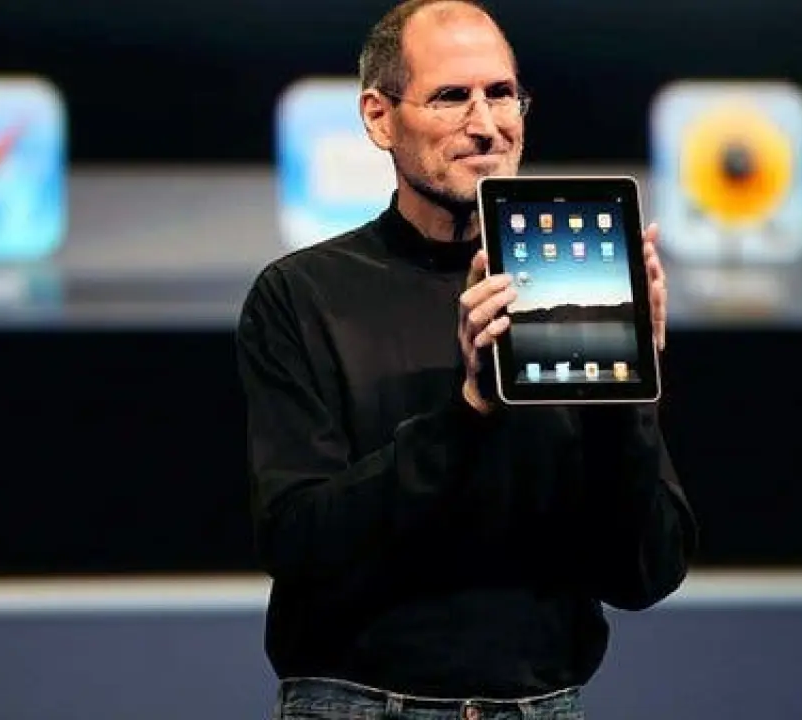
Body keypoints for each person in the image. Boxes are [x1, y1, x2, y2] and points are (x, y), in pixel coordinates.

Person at [236, 1, 698, 717]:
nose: (486, 124)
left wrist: (630, 391)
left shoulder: (570, 292)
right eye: (452, 97)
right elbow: (298, 544)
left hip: (542, 705)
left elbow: (645, 573)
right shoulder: (304, 295)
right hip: (360, 703)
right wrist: (469, 412)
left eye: (502, 93)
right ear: (379, 117)